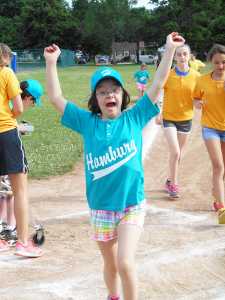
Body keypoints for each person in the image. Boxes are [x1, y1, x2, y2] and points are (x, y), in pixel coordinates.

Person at [44, 32, 185, 300]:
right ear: (96, 99)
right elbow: (55, 99)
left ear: (123, 95)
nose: (110, 95)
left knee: (124, 263)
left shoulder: (134, 117)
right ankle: (114, 297)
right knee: (110, 266)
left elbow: (158, 83)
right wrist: (51, 63)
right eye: (103, 91)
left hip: (131, 204)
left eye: (115, 90)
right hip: (100, 208)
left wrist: (168, 50)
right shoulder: (87, 122)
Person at [0, 43, 42, 257]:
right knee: (20, 191)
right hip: (5, 132)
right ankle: (23, 243)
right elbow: (17, 108)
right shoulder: (6, 73)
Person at [155, 44, 200, 199]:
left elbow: (197, 96)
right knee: (175, 152)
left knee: (179, 155)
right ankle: (174, 185)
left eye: (184, 54)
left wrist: (197, 102)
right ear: (174, 57)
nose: (182, 57)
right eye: (179, 54)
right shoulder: (168, 75)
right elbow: (156, 93)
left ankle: (169, 180)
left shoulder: (196, 76)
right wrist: (157, 112)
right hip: (169, 118)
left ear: (190, 56)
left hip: (186, 119)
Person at [193, 44, 225, 224]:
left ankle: (216, 191)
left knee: (224, 170)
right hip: (210, 127)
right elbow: (196, 96)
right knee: (218, 166)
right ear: (210, 62)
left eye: (224, 62)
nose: (221, 66)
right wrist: (197, 102)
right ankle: (222, 208)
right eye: (217, 62)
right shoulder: (202, 79)